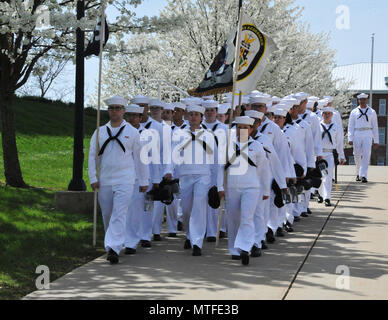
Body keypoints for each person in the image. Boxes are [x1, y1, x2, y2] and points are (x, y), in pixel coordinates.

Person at [88, 96, 149, 264]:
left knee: (119, 213)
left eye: (117, 108)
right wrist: (93, 177)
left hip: (125, 179)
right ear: (108, 111)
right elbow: (93, 156)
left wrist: (143, 181)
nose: (114, 111)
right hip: (106, 179)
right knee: (107, 213)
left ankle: (113, 248)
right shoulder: (99, 132)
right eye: (111, 108)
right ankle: (112, 244)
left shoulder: (132, 132)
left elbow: (140, 159)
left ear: (123, 111)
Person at [168, 104, 222, 256]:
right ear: (187, 116)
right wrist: (169, 170)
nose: (193, 117)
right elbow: (172, 154)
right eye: (191, 114)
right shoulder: (179, 134)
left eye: (196, 114)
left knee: (199, 207)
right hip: (185, 175)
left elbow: (215, 159)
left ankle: (197, 242)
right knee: (186, 209)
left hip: (203, 175)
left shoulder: (208, 135)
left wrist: (218, 182)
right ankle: (189, 234)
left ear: (201, 117)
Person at [218, 116, 270, 265]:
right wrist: (220, 187)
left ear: (251, 129)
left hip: (252, 187)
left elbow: (264, 170)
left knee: (247, 217)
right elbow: (220, 168)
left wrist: (265, 189)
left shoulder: (257, 146)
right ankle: (234, 249)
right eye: (239, 127)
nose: (242, 130)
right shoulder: (227, 146)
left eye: (245, 127)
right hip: (232, 187)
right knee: (234, 219)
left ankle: (246, 247)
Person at [123, 104, 150, 254]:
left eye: (135, 115)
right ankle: (122, 237)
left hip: (137, 176)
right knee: (121, 210)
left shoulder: (147, 134)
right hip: (121, 175)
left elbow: (146, 158)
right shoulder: (121, 131)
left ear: (140, 117)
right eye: (129, 115)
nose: (132, 118)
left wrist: (144, 179)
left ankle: (131, 242)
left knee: (135, 210)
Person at [348, 93, 379, 183]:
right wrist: (350, 138)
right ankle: (358, 172)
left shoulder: (372, 112)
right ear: (358, 100)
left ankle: (364, 175)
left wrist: (376, 140)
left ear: (366, 100)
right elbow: (350, 126)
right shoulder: (354, 112)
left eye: (364, 99)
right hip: (357, 133)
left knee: (366, 154)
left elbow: (375, 126)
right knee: (357, 155)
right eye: (361, 100)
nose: (362, 101)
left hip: (367, 133)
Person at [318, 106, 345, 206]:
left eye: (329, 113)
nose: (327, 115)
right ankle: (320, 194)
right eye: (325, 113)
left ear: (332, 115)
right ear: (322, 114)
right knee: (320, 176)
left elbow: (339, 143)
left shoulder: (336, 127)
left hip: (329, 154)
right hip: (319, 154)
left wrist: (341, 155)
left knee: (328, 176)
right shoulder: (318, 126)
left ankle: (327, 197)